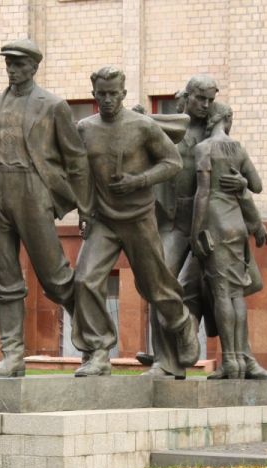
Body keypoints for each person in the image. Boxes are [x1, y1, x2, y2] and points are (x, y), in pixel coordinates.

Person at [0, 39, 90, 377]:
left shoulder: (53, 106)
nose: (12, 69)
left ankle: (93, 343)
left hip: (33, 192)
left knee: (56, 278)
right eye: (9, 63)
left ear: (34, 67)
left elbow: (76, 159)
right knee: (3, 279)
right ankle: (12, 357)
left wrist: (84, 207)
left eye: (19, 64)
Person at [71, 66, 200, 377]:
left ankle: (182, 323)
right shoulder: (84, 129)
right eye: (101, 94)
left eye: (113, 94)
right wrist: (84, 211)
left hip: (139, 217)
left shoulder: (143, 126)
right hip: (103, 219)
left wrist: (139, 180)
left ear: (124, 94)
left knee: (155, 286)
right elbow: (80, 175)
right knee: (85, 280)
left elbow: (172, 162)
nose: (107, 100)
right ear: (93, 95)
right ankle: (99, 352)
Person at [190, 103, 266, 379]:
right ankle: (242, 362)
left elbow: (202, 194)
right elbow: (256, 185)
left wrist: (196, 231)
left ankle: (231, 361)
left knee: (221, 294)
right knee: (237, 295)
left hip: (215, 226)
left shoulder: (204, 149)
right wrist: (242, 184)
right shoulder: (239, 149)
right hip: (237, 227)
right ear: (228, 119)